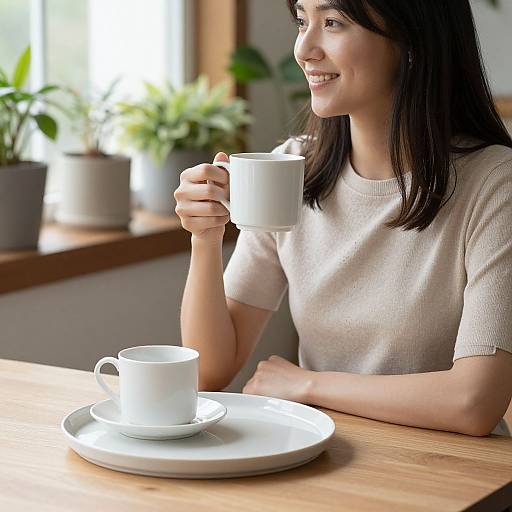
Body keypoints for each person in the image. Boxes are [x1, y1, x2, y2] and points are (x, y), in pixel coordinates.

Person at [174, 0, 512, 437]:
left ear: (411, 41)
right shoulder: (292, 168)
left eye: (332, 23)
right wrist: (205, 236)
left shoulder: (493, 183)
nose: (304, 48)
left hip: (449, 474)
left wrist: (309, 385)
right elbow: (207, 373)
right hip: (319, 457)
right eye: (302, 21)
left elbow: (474, 403)